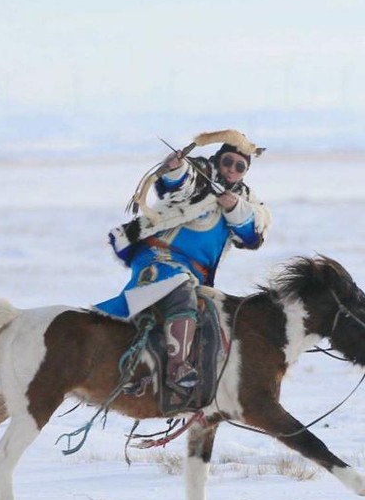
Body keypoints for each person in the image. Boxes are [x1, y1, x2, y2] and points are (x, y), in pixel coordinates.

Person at [95, 136, 271, 411]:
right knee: (180, 290)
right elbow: (181, 181)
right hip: (160, 258)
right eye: (227, 162)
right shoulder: (202, 172)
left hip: (196, 274)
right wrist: (176, 167)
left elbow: (252, 235)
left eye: (239, 167)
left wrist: (234, 208)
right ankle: (178, 368)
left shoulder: (244, 198)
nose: (231, 170)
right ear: (218, 160)